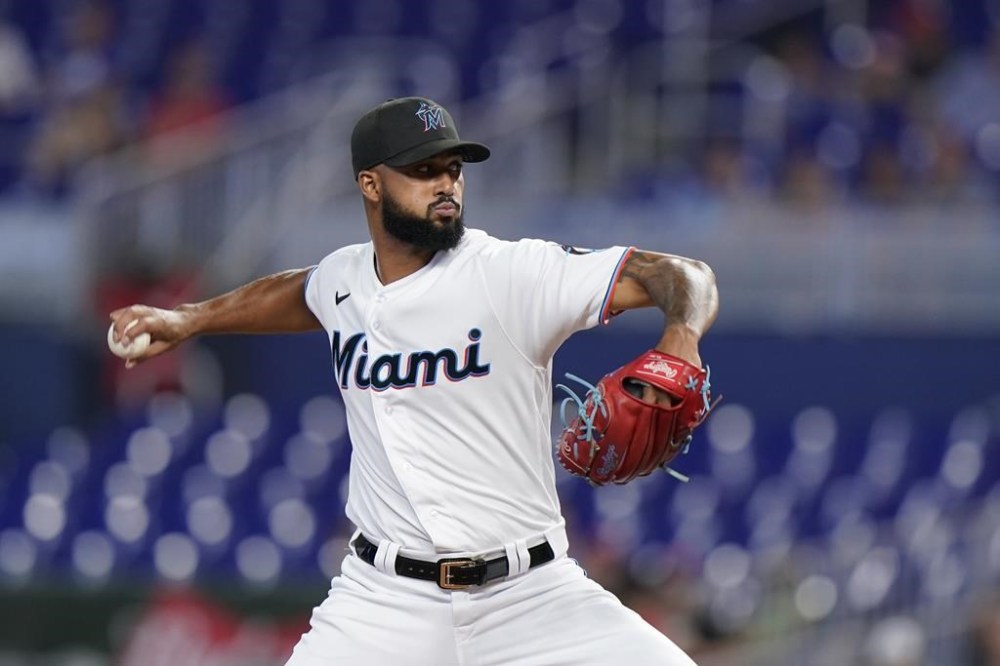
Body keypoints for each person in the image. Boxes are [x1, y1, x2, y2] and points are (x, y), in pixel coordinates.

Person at [109, 96, 719, 665]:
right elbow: (299, 293)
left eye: (453, 168)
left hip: (531, 597)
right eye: (424, 170)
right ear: (370, 184)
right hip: (382, 601)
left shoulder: (510, 273)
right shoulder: (343, 279)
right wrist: (186, 319)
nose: (446, 184)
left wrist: (680, 340)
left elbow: (680, 274)